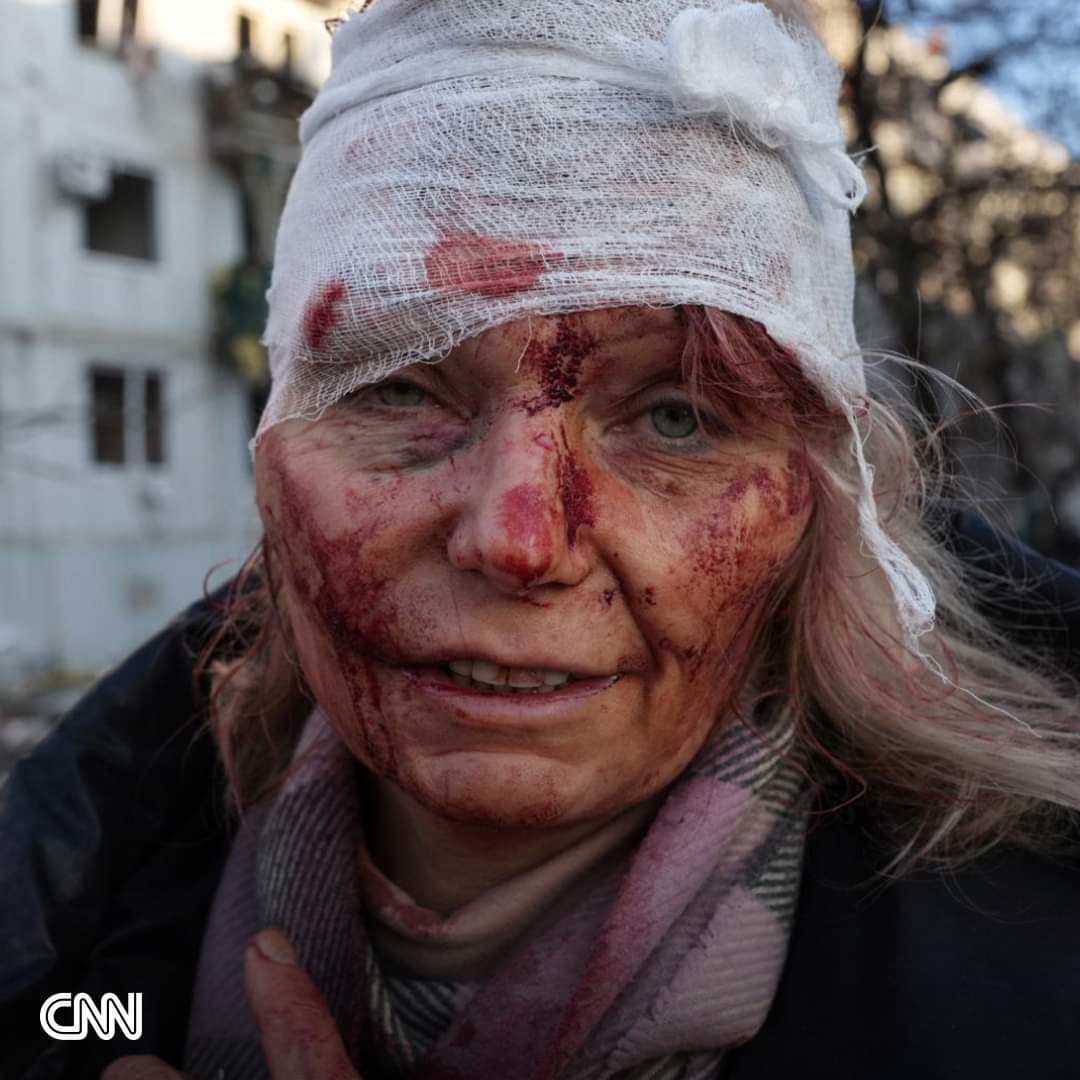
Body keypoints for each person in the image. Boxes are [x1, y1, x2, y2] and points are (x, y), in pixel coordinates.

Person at [3, 1, 1080, 1078]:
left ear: (814, 503)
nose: (519, 541)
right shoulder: (70, 953)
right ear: (273, 448)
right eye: (399, 388)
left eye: (678, 417)